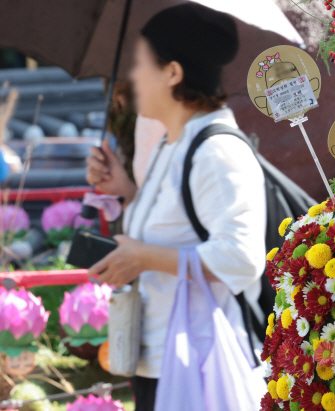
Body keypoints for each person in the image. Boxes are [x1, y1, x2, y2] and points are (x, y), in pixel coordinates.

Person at [85, 4, 266, 410]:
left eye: (140, 63)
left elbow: (242, 258)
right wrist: (127, 192)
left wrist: (145, 258)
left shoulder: (216, 151)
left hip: (197, 367)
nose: (132, 76)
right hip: (162, 359)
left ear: (172, 72)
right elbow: (179, 228)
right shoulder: (176, 143)